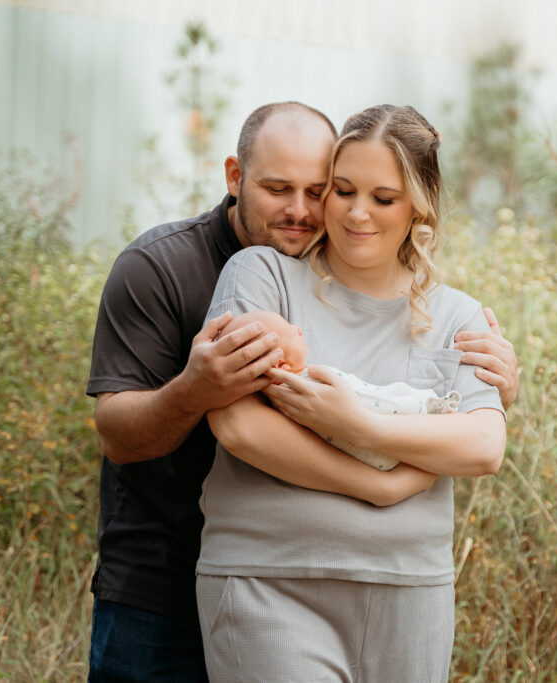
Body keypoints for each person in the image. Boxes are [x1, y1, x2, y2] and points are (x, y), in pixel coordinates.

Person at [86, 102, 519, 681]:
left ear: (418, 207)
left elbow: (484, 445)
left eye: (379, 197)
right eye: (340, 191)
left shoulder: (459, 314)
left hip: (407, 586)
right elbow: (231, 426)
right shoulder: (232, 271)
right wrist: (383, 483)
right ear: (235, 179)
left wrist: (362, 425)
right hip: (208, 573)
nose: (348, 212)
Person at [216, 309, 470, 470]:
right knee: (389, 395)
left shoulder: (276, 402)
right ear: (281, 364)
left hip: (374, 457)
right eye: (290, 331)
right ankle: (430, 409)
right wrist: (422, 407)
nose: (299, 328)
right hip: (389, 432)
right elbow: (366, 399)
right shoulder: (311, 381)